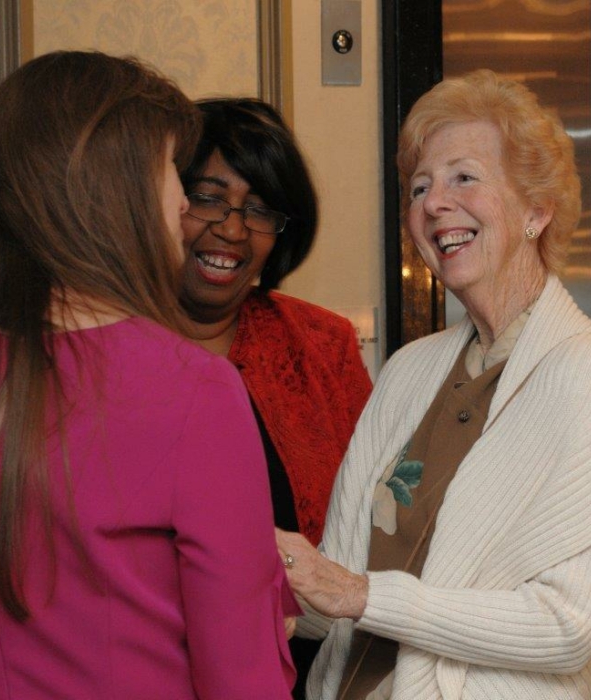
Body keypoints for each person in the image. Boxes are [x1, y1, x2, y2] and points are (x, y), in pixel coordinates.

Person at [0, 51, 296, 700]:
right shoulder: (196, 391)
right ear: (114, 193)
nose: (182, 203)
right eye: (170, 174)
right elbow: (242, 681)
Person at [276, 69, 591, 699]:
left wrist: (359, 594)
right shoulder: (408, 371)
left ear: (537, 210)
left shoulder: (588, 376)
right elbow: (339, 591)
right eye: (419, 187)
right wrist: (268, 579)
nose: (433, 203)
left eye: (464, 178)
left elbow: (567, 627)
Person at [178, 98, 373, 698]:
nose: (233, 229)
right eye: (208, 197)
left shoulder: (321, 344)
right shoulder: (103, 344)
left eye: (260, 209)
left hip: (312, 673)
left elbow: (381, 525)